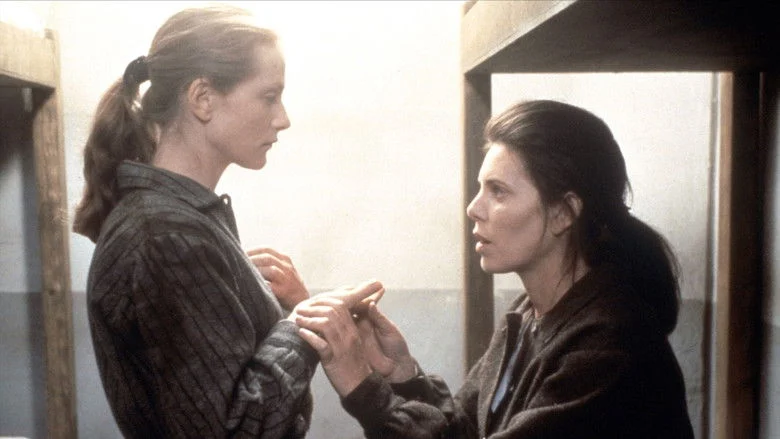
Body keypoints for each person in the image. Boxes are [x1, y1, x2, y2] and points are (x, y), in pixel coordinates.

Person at [291, 100, 695, 438]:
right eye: (481, 188)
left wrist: (361, 386)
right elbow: (464, 431)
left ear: (563, 212)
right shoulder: (528, 314)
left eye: (498, 191)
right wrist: (403, 375)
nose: (474, 208)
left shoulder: (610, 345)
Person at [72, 5, 382, 438]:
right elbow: (235, 430)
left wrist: (281, 308)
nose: (283, 118)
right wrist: (304, 322)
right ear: (202, 98)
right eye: (269, 96)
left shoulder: (179, 221)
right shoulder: (165, 234)